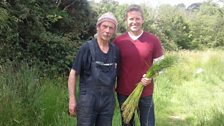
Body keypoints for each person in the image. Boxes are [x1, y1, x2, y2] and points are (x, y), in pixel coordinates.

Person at [113, 4, 164, 126]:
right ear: (126, 20)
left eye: (137, 18)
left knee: (147, 123)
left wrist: (151, 76)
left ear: (142, 20)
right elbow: (113, 67)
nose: (134, 22)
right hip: (123, 92)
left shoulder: (153, 40)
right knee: (127, 124)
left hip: (145, 92)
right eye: (131, 19)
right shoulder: (118, 41)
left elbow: (160, 65)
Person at [68, 12, 119, 126]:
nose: (107, 30)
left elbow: (116, 76)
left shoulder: (115, 51)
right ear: (98, 27)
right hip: (88, 101)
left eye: (111, 28)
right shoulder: (86, 48)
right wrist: (72, 99)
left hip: (107, 102)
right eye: (104, 26)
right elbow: (73, 73)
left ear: (114, 31)